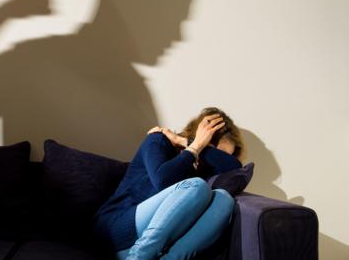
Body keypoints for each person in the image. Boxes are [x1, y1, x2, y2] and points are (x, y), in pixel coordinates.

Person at [92, 107, 245, 259]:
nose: (215, 159)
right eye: (213, 151)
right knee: (196, 186)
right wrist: (196, 146)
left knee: (224, 199)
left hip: (150, 244)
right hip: (116, 230)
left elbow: (235, 167)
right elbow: (163, 181)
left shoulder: (201, 166)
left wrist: (184, 141)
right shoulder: (158, 140)